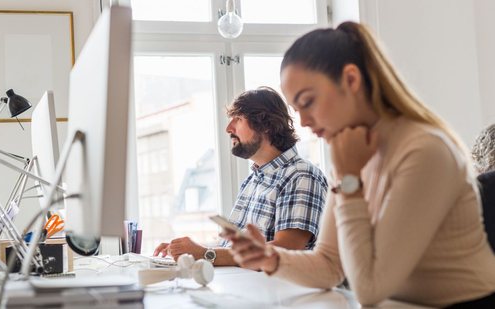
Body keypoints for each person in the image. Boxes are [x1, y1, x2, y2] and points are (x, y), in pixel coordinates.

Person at [226, 22, 495, 308]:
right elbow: (329, 264)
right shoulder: (351, 154)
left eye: (308, 102)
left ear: (351, 80)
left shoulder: (425, 150)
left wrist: (349, 179)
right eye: (297, 109)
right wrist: (270, 258)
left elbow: (370, 289)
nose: (303, 121)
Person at [153, 86, 328, 266]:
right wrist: (188, 251)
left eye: (237, 119)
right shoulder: (252, 181)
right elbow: (235, 248)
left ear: (266, 125)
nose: (229, 128)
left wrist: (205, 254)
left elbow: (286, 249)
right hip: (246, 287)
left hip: (278, 291)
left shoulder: (301, 176)